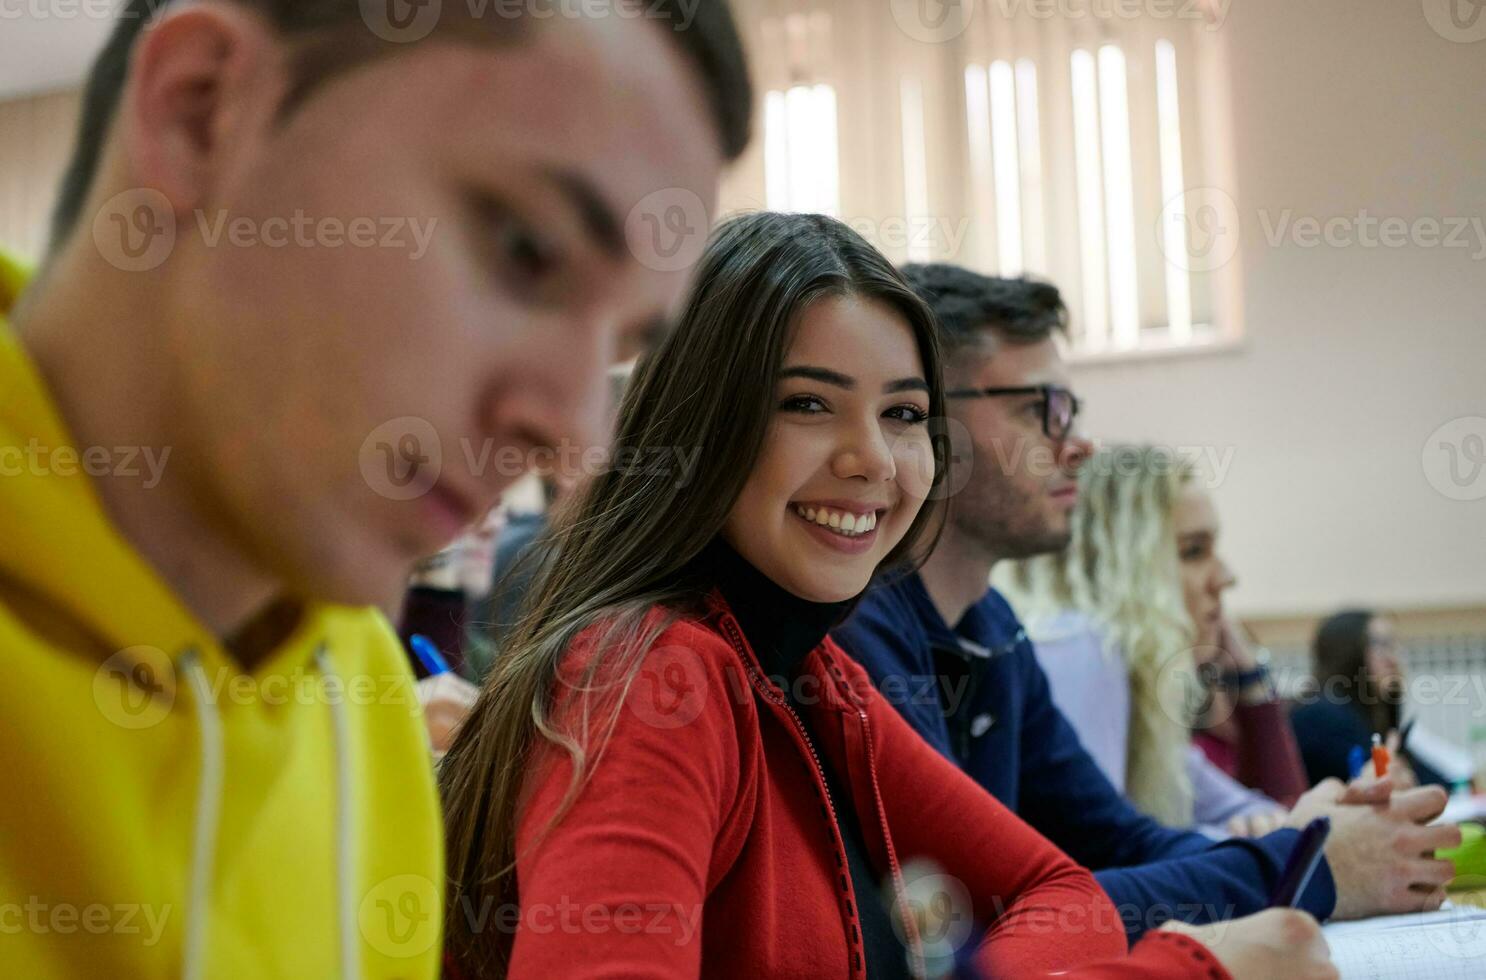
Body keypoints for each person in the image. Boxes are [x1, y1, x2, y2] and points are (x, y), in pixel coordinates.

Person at [0, 0, 751, 976]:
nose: (573, 433)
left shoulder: (367, 712)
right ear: (200, 109)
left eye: (620, 345)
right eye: (526, 250)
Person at [436, 213, 1333, 980]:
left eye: (903, 414)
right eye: (808, 405)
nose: (872, 458)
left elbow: (1054, 891)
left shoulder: (815, 674)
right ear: (702, 429)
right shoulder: (653, 676)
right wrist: (1190, 964)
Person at [834, 262, 1462, 944]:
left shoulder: (994, 629)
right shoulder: (858, 625)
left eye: (1069, 412)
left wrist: (1312, 844)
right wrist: (1307, 863)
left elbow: (1121, 842)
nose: (1077, 445)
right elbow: (987, 917)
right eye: (1038, 409)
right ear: (929, 419)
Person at [997, 444, 1295, 837]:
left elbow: (1272, 814)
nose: (1225, 577)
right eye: (1192, 551)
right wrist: (1240, 845)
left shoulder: (1134, 679)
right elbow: (1099, 858)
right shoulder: (1082, 646)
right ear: (1119, 568)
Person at [1292, 610, 1450, 788]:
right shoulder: (1323, 715)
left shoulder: (1366, 713)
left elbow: (1424, 774)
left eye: (1393, 645)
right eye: (1380, 645)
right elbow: (1393, 781)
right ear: (1346, 651)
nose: (1393, 659)